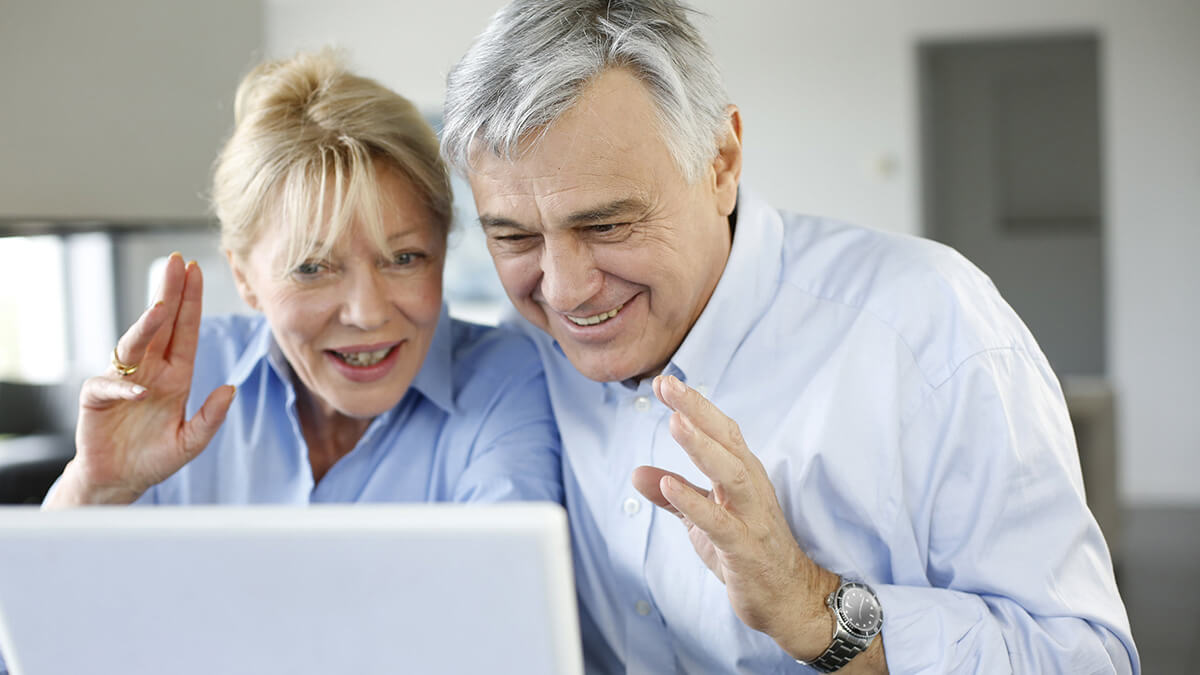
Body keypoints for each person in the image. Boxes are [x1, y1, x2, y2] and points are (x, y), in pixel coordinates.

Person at [441, 1, 1138, 672]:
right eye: (514, 236)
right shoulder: (521, 353)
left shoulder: (926, 328)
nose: (563, 290)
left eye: (606, 225)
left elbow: (1082, 658)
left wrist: (814, 608)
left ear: (721, 161)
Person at [43, 49, 562, 509]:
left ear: (442, 253)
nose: (368, 312)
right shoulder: (186, 378)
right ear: (245, 278)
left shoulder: (505, 380)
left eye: (403, 258)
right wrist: (95, 488)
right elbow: (43, 614)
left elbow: (501, 605)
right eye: (312, 268)